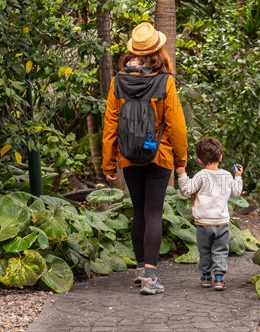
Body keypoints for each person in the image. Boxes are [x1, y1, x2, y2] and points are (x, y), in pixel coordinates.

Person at [102, 22, 188, 295]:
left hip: (129, 157)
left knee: (138, 212)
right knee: (153, 212)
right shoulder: (165, 82)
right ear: (158, 50)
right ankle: (151, 277)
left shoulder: (118, 81)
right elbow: (176, 124)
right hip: (159, 156)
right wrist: (181, 160)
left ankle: (140, 271)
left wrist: (108, 162)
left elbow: (110, 124)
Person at [175, 137, 243, 291]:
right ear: (220, 157)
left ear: (199, 160)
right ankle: (219, 279)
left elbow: (186, 191)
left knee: (204, 251)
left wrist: (182, 174)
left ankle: (206, 277)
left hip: (203, 223)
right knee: (220, 250)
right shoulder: (227, 175)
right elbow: (236, 192)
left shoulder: (201, 175)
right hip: (222, 223)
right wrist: (238, 176)